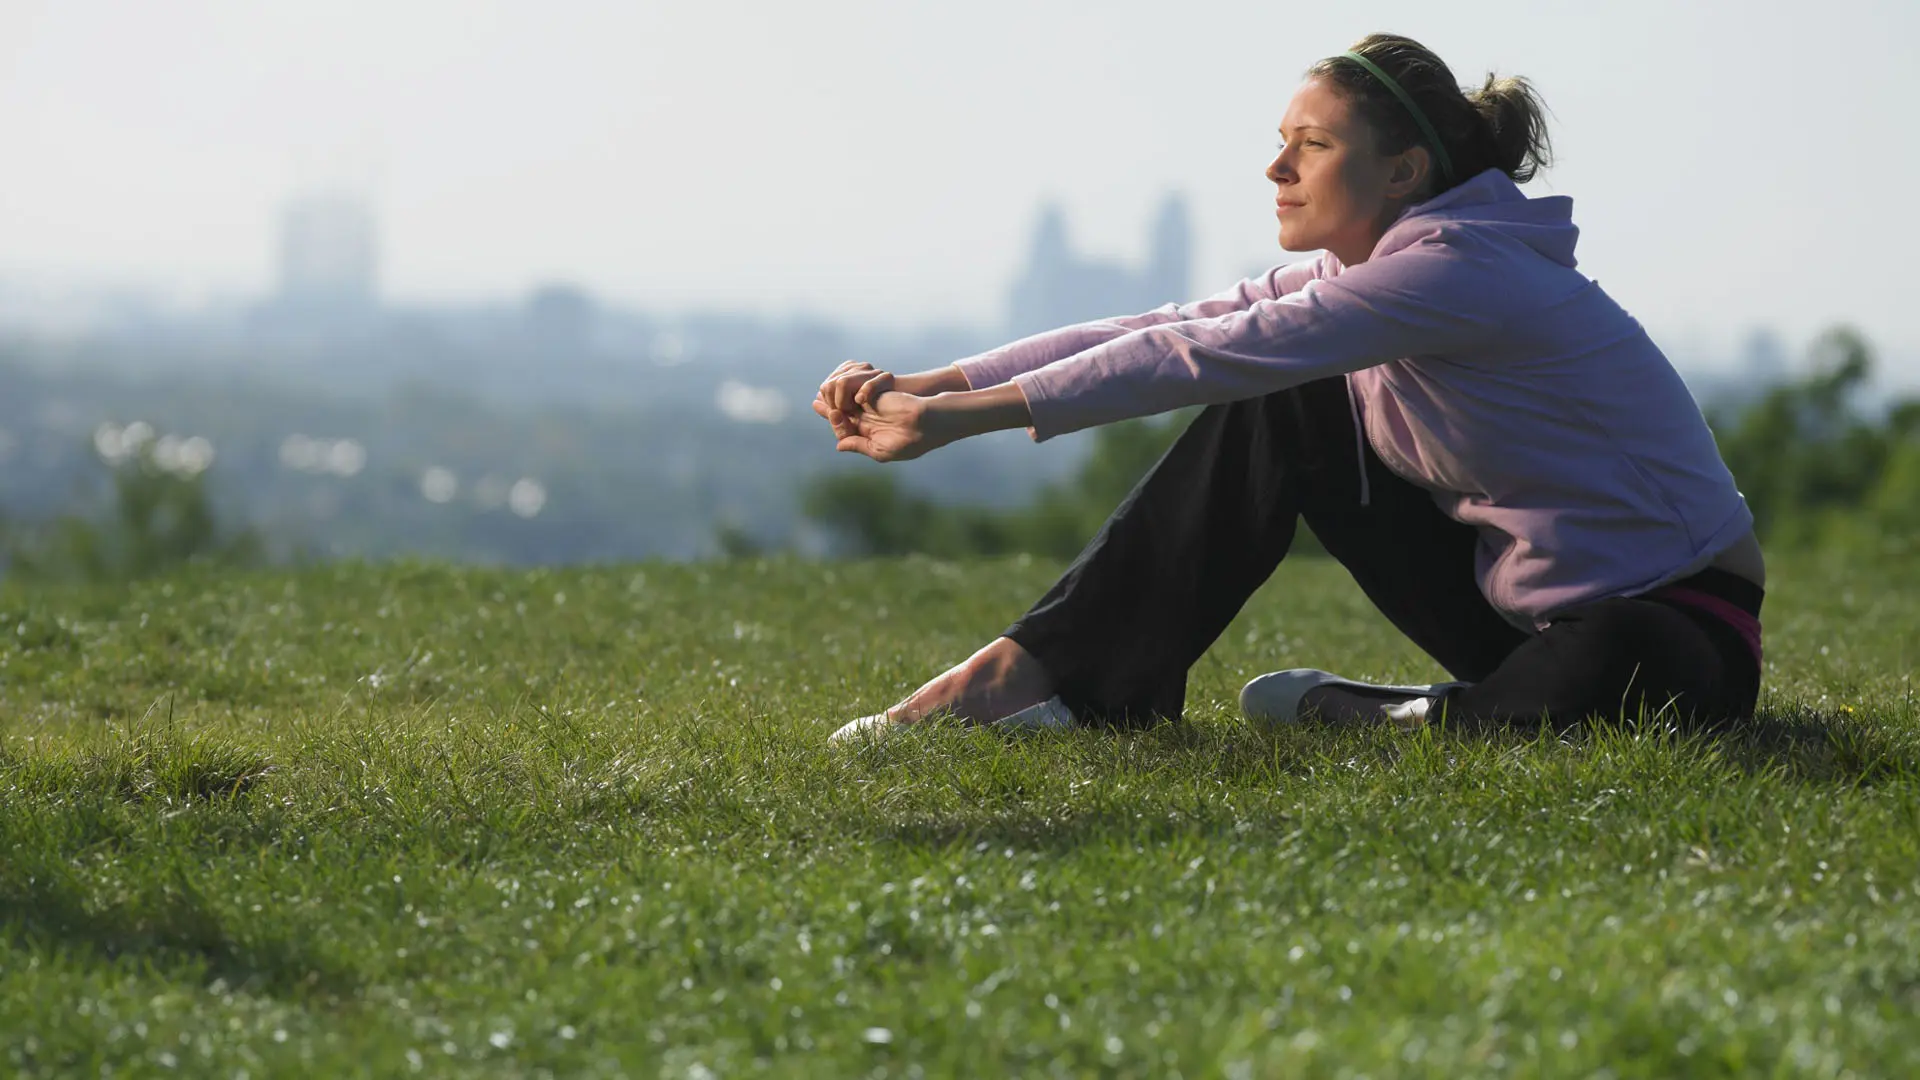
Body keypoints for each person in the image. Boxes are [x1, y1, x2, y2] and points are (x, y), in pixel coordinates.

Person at [814, 32, 1766, 741]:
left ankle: (1387, 716)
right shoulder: (1370, 272)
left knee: (1618, 666)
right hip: (1521, 616)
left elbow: (1204, 355)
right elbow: (1171, 327)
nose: (1276, 168)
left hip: (1679, 629)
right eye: (1281, 141)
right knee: (1290, 397)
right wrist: (932, 384)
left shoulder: (1461, 270)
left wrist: (954, 423)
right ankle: (1061, 682)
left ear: (1404, 170)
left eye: (1310, 145)